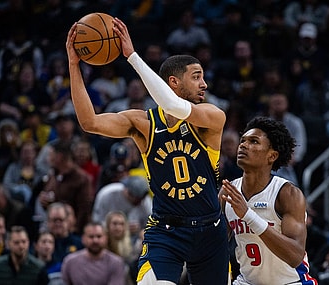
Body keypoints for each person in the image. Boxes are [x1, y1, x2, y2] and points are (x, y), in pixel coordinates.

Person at [66, 17, 229, 285]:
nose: (205, 85)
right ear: (174, 82)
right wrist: (74, 65)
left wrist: (132, 57)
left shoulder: (212, 117)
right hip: (166, 231)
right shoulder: (143, 123)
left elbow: (174, 106)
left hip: (211, 232)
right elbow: (89, 122)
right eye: (197, 77)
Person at [219, 116, 317, 285]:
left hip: (290, 282)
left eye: (254, 141)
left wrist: (248, 215)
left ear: (272, 156)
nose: (243, 145)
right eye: (242, 141)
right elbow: (216, 245)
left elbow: (295, 256)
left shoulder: (287, 194)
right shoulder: (228, 192)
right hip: (247, 281)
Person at [61, 222, 127, 285]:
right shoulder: (70, 262)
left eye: (99, 236)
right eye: (91, 237)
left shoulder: (116, 263)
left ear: (106, 238)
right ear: (83, 239)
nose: (95, 240)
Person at [92, 175, 152, 240]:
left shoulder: (146, 201)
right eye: (137, 199)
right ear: (127, 191)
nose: (140, 202)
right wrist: (120, 228)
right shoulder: (108, 194)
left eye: (141, 199)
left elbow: (151, 225)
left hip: (135, 239)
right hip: (109, 237)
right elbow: (97, 221)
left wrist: (141, 229)